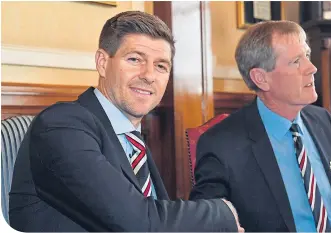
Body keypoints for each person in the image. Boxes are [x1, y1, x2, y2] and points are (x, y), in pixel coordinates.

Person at [9, 11, 243, 232]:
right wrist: (223, 212)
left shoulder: (130, 137)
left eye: (161, 66)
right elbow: (138, 223)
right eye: (134, 59)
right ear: (102, 62)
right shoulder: (61, 125)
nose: (149, 75)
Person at [190, 20, 331, 232]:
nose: (312, 68)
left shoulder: (323, 121)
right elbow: (205, 222)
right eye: (296, 61)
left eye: (307, 55)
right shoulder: (222, 144)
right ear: (261, 78)